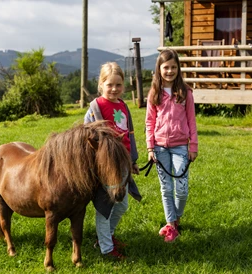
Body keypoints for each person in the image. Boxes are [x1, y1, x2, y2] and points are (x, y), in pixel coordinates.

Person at [84, 62, 141, 259]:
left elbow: (129, 134)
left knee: (122, 205)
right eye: (110, 85)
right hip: (106, 166)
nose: (114, 89)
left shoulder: (123, 106)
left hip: (123, 163)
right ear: (101, 84)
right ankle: (107, 249)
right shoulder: (95, 107)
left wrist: (133, 160)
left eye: (118, 85)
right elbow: (86, 136)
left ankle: (106, 236)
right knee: (105, 208)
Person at [145, 49, 198, 243]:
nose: (169, 71)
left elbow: (191, 120)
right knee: (166, 188)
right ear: (159, 69)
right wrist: (150, 147)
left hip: (180, 147)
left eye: (173, 67)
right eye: (166, 67)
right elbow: (149, 122)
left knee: (182, 189)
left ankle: (175, 217)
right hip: (159, 147)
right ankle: (171, 225)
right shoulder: (154, 93)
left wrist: (193, 146)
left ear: (178, 68)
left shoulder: (185, 92)